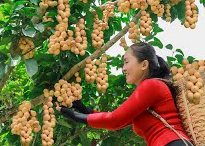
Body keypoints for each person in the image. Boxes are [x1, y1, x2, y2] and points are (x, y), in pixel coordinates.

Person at [56, 42, 192, 146]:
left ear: (144, 64)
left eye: (126, 62)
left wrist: (75, 116)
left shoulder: (151, 85)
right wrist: (83, 109)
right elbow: (119, 119)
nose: (123, 69)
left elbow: (114, 120)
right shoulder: (152, 88)